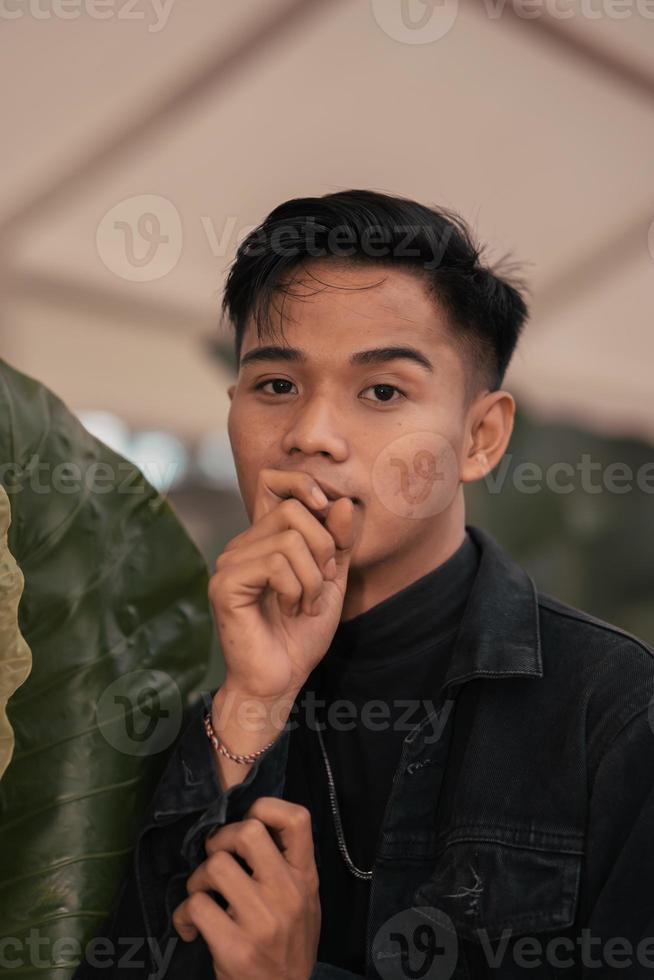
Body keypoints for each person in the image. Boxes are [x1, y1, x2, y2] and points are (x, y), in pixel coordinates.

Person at [74, 190, 654, 979]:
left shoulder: (614, 716)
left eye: (382, 391)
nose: (310, 434)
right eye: (275, 385)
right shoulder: (183, 719)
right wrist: (255, 700)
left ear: (480, 437)